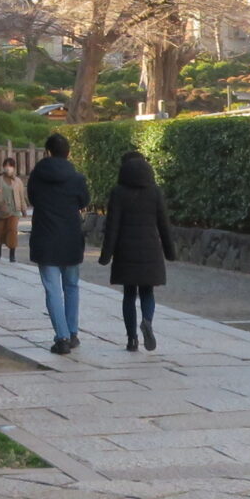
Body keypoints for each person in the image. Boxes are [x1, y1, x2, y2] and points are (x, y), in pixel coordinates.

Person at [101, 150, 174, 352]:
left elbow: (112, 227)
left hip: (126, 250)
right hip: (150, 249)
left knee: (129, 295)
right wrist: (170, 251)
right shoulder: (155, 192)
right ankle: (148, 320)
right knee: (147, 292)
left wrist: (106, 255)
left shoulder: (118, 193)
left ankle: (131, 339)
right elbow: (164, 224)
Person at [26, 134, 91, 354]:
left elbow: (32, 199)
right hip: (71, 239)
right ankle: (72, 333)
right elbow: (84, 200)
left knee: (52, 289)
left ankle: (61, 337)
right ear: (68, 153)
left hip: (45, 237)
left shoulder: (37, 176)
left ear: (48, 152)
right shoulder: (77, 178)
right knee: (71, 286)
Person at [0, 159, 26, 262]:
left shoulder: (17, 181)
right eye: (6, 165)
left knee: (12, 230)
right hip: (0, 209)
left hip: (14, 210)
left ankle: (12, 252)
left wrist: (23, 209)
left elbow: (21, 196)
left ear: (14, 167)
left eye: (10, 166)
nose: (8, 167)